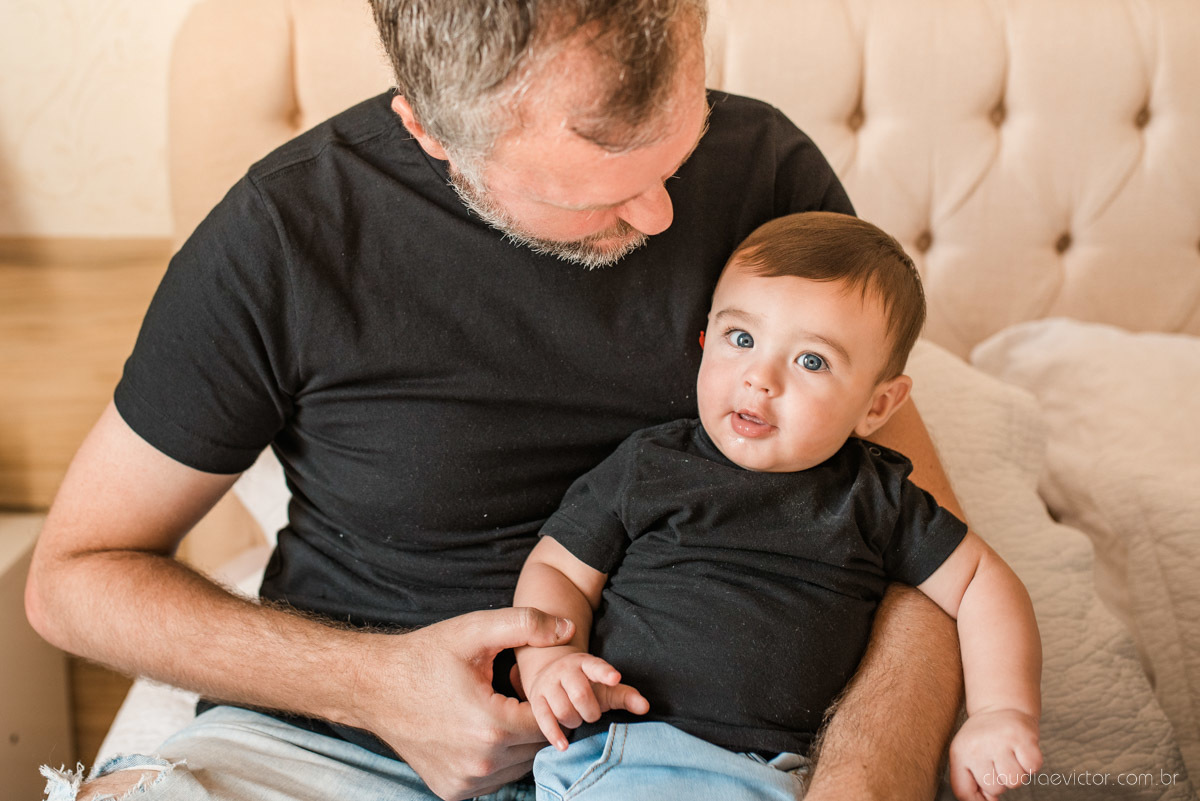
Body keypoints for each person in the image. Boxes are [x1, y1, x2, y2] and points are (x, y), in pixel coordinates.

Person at [28, 3, 968, 800]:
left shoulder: (769, 172)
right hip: (338, 750)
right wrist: (372, 684)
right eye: (605, 187)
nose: (663, 215)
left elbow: (929, 551)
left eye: (676, 151)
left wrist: (864, 780)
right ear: (431, 132)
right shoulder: (286, 232)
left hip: (705, 756)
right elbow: (74, 578)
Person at [513, 212, 1043, 801]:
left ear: (877, 406)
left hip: (791, 777)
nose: (759, 378)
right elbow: (559, 569)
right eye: (741, 339)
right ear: (703, 343)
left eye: (811, 360)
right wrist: (551, 662)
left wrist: (1001, 709)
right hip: (628, 751)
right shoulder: (650, 465)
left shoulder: (876, 498)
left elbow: (981, 583)